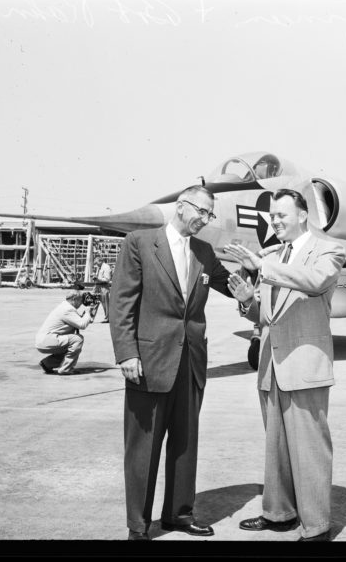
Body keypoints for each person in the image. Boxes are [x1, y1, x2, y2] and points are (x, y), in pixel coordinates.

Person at [109, 185, 233, 541]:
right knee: (142, 447)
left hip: (190, 360)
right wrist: (127, 352)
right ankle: (138, 524)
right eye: (202, 212)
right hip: (148, 361)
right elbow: (122, 302)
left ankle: (178, 514)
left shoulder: (205, 252)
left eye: (209, 215)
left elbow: (230, 285)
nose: (204, 220)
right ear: (181, 206)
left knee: (185, 441)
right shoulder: (139, 243)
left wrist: (250, 282)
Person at [225, 188, 346, 542]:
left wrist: (263, 267)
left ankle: (317, 525)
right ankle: (279, 513)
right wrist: (248, 301)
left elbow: (315, 281)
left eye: (281, 215)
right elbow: (266, 314)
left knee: (309, 449)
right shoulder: (273, 255)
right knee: (275, 446)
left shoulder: (328, 250)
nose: (274, 222)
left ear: (303, 215)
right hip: (271, 366)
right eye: (271, 217)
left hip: (305, 365)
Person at [35, 287, 98, 375]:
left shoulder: (65, 306)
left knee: (70, 343)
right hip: (47, 340)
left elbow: (84, 321)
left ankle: (47, 364)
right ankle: (66, 369)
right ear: (74, 299)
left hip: (45, 340)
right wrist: (88, 311)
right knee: (77, 340)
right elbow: (82, 325)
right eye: (81, 300)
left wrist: (91, 310)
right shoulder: (67, 309)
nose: (82, 303)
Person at [92, 256, 112, 323]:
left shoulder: (106, 267)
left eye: (97, 263)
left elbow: (107, 279)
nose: (96, 265)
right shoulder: (99, 267)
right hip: (97, 286)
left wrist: (98, 279)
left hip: (104, 287)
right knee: (93, 302)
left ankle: (108, 318)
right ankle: (90, 317)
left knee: (105, 304)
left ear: (100, 261)